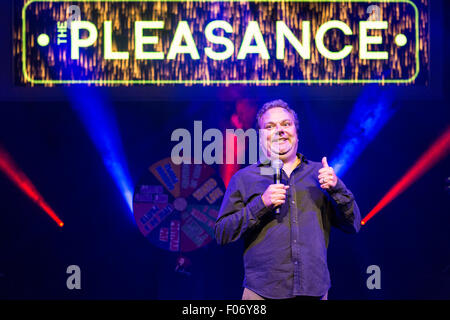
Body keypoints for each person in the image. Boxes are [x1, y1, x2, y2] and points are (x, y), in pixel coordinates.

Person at [215, 99, 361, 300]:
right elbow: (222, 233)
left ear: (296, 134)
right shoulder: (244, 179)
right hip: (261, 293)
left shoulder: (321, 174)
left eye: (286, 124)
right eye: (270, 126)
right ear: (261, 137)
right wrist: (261, 204)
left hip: (313, 292)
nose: (279, 130)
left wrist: (337, 188)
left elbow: (353, 225)